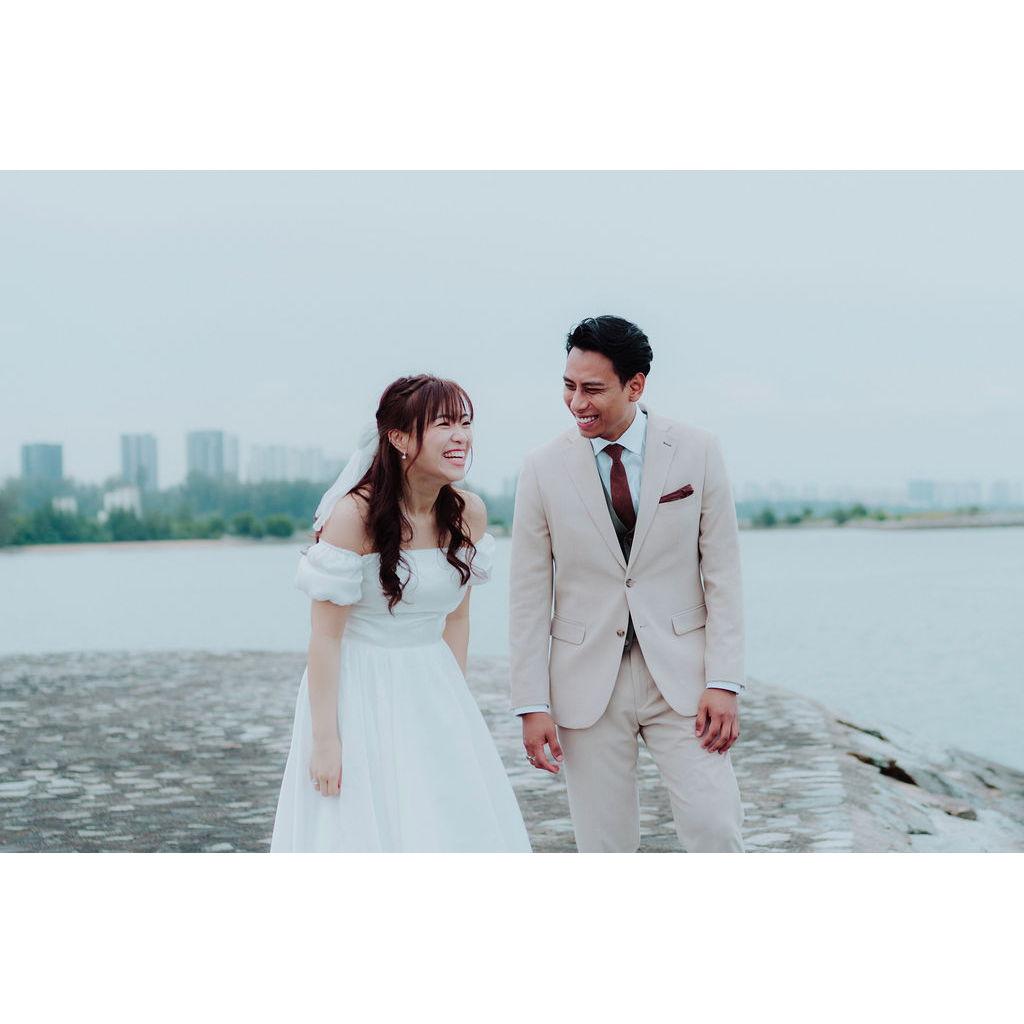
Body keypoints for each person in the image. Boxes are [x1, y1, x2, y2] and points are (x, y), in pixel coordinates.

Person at [509, 316, 745, 852]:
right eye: (569, 386)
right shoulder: (541, 468)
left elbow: (724, 575)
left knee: (715, 825)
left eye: (592, 389)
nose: (577, 402)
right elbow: (527, 596)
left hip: (684, 679)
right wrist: (531, 703)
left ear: (635, 386)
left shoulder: (697, 450)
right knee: (604, 845)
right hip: (585, 679)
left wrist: (725, 681)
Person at [271, 374, 531, 852]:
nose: (461, 436)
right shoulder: (354, 517)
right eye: (444, 424)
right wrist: (325, 741)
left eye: (466, 423)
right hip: (359, 688)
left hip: (432, 681)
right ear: (399, 438)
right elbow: (325, 638)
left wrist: (452, 700)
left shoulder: (468, 513)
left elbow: (457, 619)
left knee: (446, 816)